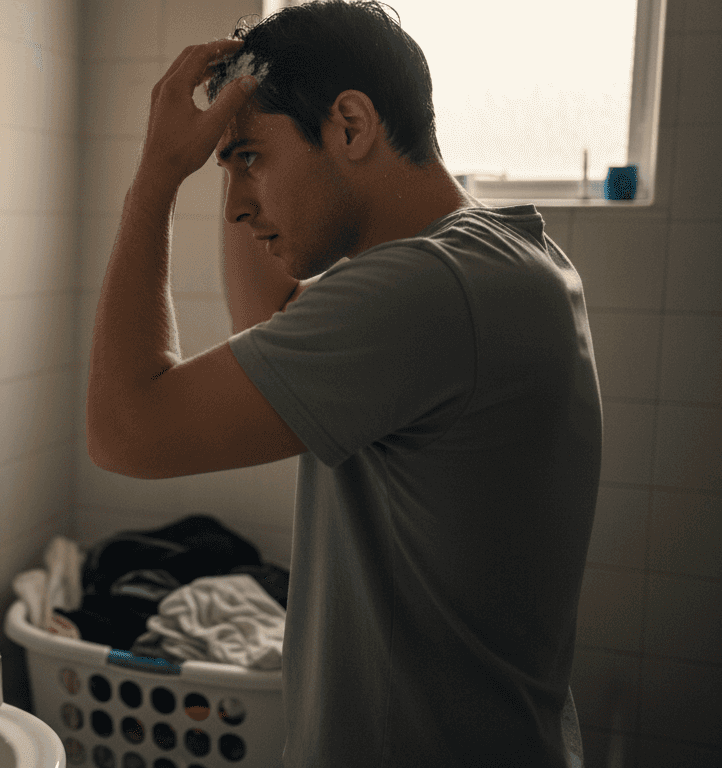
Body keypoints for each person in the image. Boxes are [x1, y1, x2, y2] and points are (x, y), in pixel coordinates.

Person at [85, 2, 601, 766]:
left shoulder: (430, 288)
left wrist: (158, 176)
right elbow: (269, 317)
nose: (234, 209)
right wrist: (237, 154)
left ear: (351, 126)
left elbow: (126, 432)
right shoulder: (496, 259)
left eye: (253, 159)